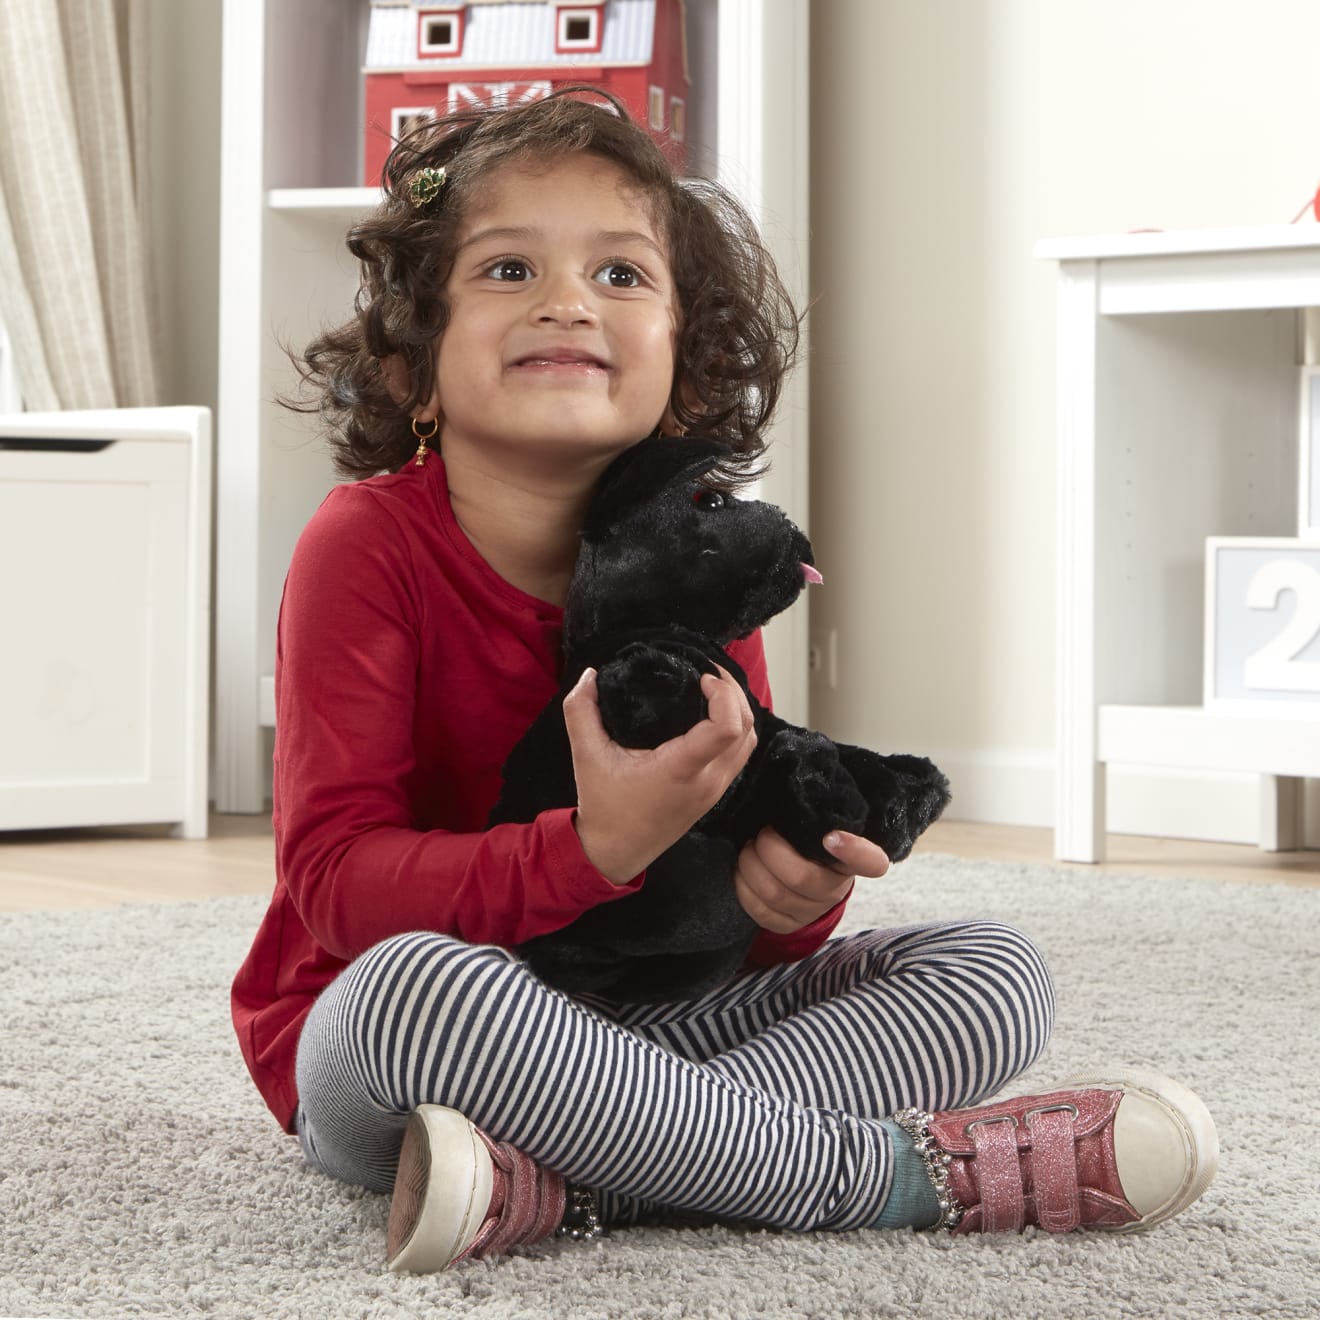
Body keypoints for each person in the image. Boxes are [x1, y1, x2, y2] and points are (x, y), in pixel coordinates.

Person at [231, 88, 1218, 1273]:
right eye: (506, 271)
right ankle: (893, 1178)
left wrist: (787, 895)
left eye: (621, 275)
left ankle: (572, 1183)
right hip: (417, 1040)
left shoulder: (705, 560)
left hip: (647, 1031)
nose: (565, 300)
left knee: (991, 971)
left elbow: (733, 919)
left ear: (686, 374)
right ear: (412, 373)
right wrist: (588, 851)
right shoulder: (365, 545)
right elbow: (336, 887)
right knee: (413, 989)